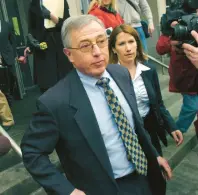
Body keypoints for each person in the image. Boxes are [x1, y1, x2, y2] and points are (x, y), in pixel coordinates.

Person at [21, 15, 172, 195]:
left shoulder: (121, 74)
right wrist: (67, 190)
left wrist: (154, 154)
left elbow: (135, 126)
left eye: (101, 41)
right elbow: (32, 153)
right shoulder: (55, 102)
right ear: (69, 54)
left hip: (144, 177)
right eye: (85, 45)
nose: (98, 52)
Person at [108, 24, 183, 155]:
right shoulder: (108, 75)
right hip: (125, 134)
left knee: (156, 168)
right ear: (114, 49)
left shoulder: (149, 70)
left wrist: (171, 127)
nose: (128, 48)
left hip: (149, 127)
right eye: (121, 44)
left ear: (137, 44)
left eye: (131, 42)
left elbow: (158, 103)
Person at [156, 26, 198, 134]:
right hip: (187, 79)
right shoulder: (177, 28)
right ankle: (177, 129)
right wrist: (168, 32)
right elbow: (161, 49)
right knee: (192, 106)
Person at [27, 0, 73, 93]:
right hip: (42, 48)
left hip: (59, 45)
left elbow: (67, 25)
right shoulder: (34, 3)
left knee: (66, 83)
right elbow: (32, 28)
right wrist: (29, 45)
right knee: (47, 87)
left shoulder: (61, 2)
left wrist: (51, 16)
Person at [0, 20, 17, 105]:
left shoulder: (7, 25)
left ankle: (10, 100)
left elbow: (13, 41)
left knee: (11, 78)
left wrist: (13, 55)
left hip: (7, 58)